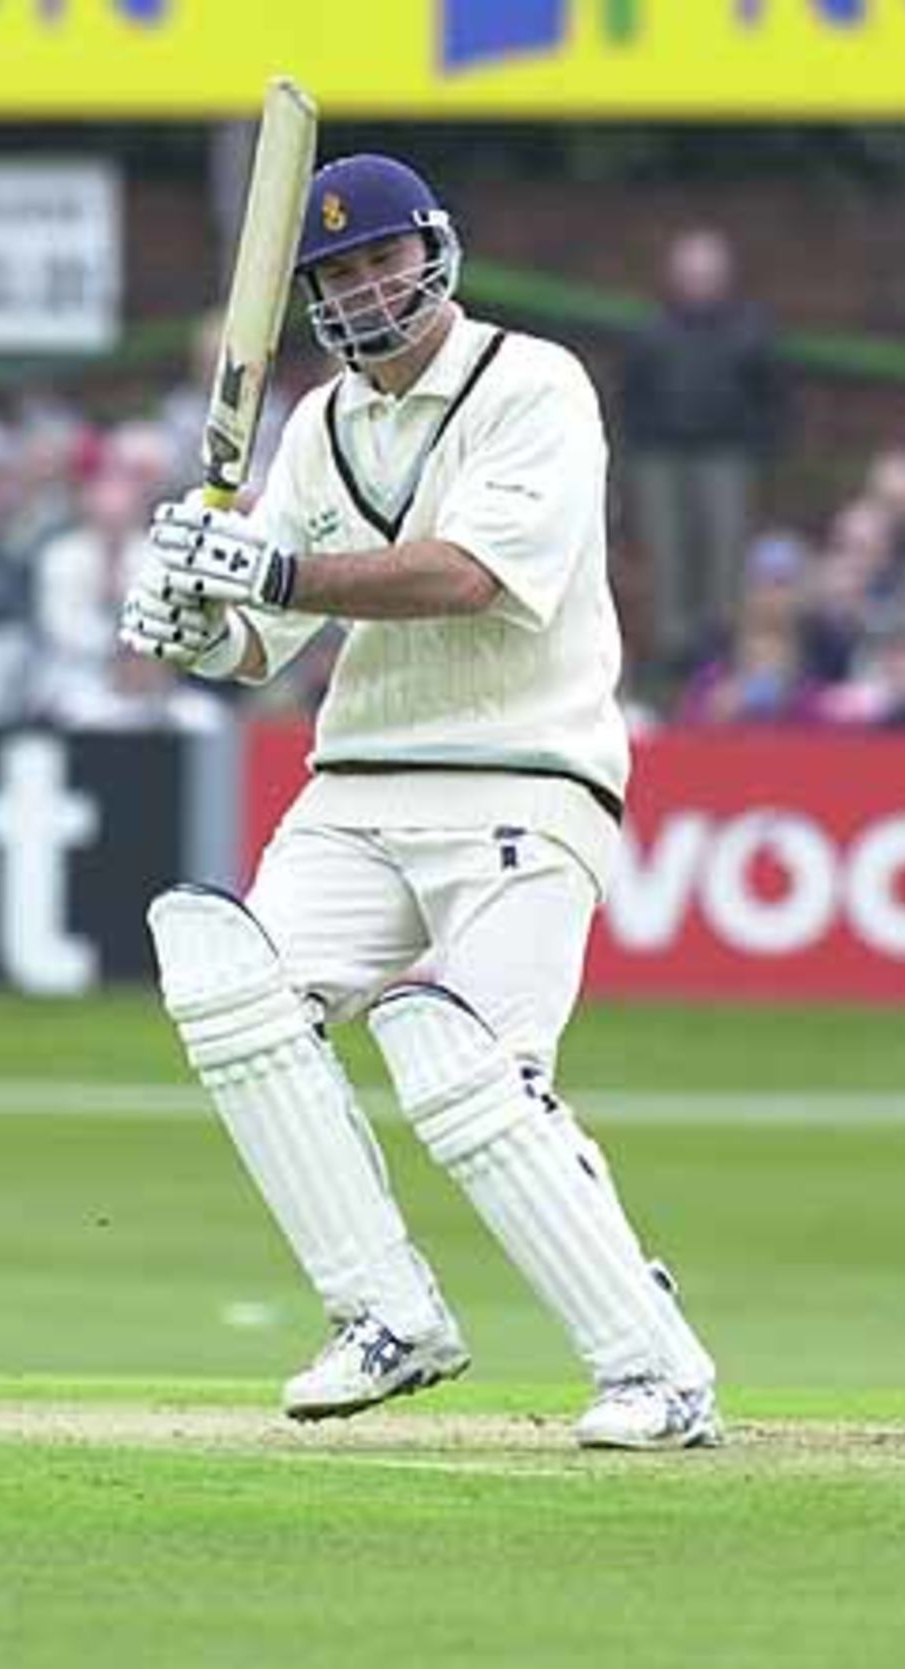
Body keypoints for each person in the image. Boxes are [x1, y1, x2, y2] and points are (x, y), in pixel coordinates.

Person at [120, 154, 720, 1450]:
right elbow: (260, 644)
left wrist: (274, 571)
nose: (363, 287)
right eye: (335, 273)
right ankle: (386, 1314)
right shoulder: (323, 424)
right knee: (238, 993)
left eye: (382, 259)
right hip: (360, 781)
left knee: (478, 1080)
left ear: (436, 253)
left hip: (525, 771)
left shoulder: (535, 385)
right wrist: (194, 626)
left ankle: (656, 1372)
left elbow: (468, 579)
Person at [620, 229, 789, 681]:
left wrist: (760, 445)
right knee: (666, 552)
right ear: (674, 277)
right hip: (660, 455)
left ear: (725, 277)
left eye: (706, 274)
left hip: (726, 455)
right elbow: (630, 396)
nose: (698, 282)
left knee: (725, 551)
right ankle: (673, 651)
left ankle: (719, 647)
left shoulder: (751, 328)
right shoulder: (650, 330)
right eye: (690, 273)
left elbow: (771, 394)